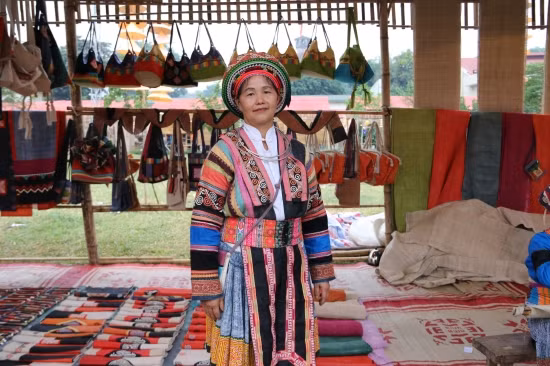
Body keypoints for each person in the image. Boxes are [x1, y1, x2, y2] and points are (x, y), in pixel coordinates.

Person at [190, 51, 335, 366]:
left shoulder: (300, 154)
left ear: (279, 97)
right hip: (243, 265)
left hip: (293, 263)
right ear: (238, 102)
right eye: (249, 92)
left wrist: (321, 272)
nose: (259, 99)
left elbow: (314, 214)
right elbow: (204, 220)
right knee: (250, 349)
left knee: (291, 341)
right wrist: (208, 286)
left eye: (267, 90)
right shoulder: (224, 152)